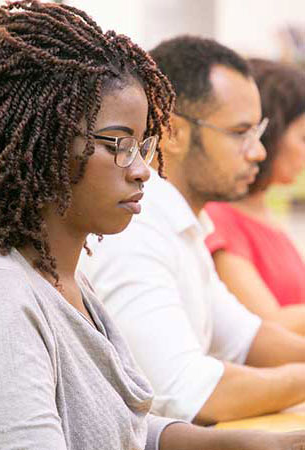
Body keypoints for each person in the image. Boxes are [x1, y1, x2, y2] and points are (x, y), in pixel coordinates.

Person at [0, 2, 304, 449]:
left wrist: (252, 444)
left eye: (143, 145)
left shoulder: (69, 279)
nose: (143, 169)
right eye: (119, 144)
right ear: (47, 145)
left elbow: (128, 428)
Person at [78, 35, 305, 426]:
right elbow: (187, 393)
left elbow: (245, 338)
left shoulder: (182, 223)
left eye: (259, 132)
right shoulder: (136, 227)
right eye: (240, 133)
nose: (258, 152)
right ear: (175, 132)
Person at [205, 58, 305, 336]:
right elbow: (265, 323)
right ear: (270, 137)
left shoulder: (265, 215)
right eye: (303, 138)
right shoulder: (220, 219)